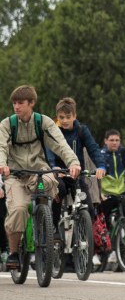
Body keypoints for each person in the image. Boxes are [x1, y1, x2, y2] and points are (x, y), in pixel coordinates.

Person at [0, 85, 81, 270]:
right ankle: (13, 252)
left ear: (32, 103)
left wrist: (74, 162)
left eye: (21, 103)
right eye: (14, 103)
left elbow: (60, 144)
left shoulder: (43, 122)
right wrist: (2, 164)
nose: (16, 107)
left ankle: (48, 222)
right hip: (13, 174)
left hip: (38, 170)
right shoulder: (7, 124)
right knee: (19, 209)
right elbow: (1, 147)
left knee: (53, 182)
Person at [46, 97, 105, 235]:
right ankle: (53, 229)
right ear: (57, 117)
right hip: (58, 174)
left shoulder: (82, 131)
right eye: (61, 117)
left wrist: (101, 166)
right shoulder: (53, 131)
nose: (64, 121)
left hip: (76, 176)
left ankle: (81, 241)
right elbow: (48, 149)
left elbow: (93, 149)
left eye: (68, 117)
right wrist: (53, 166)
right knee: (58, 190)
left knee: (89, 208)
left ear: (74, 116)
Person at [100, 128, 125, 266]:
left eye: (117, 140)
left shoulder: (124, 153)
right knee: (101, 220)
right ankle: (101, 247)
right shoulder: (101, 155)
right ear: (106, 141)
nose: (115, 143)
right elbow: (96, 177)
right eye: (112, 140)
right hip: (107, 193)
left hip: (123, 191)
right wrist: (99, 192)